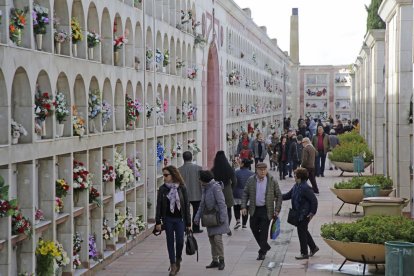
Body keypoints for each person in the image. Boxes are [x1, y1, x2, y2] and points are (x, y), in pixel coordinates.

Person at [241, 162, 282, 260]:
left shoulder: (272, 180)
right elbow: (245, 193)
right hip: (254, 209)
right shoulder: (251, 180)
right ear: (256, 170)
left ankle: (262, 252)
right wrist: (243, 206)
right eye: (261, 170)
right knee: (253, 227)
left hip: (266, 209)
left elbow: (279, 195)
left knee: (264, 231)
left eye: (264, 169)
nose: (263, 171)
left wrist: (277, 209)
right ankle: (265, 246)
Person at [155, 166, 192, 276]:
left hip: (180, 219)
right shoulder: (162, 189)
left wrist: (188, 223)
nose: (164, 177)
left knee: (180, 241)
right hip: (168, 219)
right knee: (170, 242)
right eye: (163, 175)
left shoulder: (182, 188)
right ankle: (173, 265)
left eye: (166, 175)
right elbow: (159, 206)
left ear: (173, 175)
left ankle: (178, 258)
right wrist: (158, 222)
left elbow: (186, 205)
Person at [194, 170, 229, 270]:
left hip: (218, 218)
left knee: (218, 240)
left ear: (204, 180)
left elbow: (222, 204)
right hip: (210, 219)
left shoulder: (215, 187)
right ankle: (215, 260)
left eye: (200, 178)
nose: (199, 180)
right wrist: (197, 217)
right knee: (212, 240)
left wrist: (222, 218)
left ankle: (222, 260)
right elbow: (202, 205)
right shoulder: (205, 188)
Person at [282, 168, 318, 259]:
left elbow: (314, 201)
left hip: (304, 214)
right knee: (304, 230)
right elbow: (288, 195)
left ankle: (304, 253)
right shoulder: (296, 186)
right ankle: (313, 248)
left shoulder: (305, 188)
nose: (294, 176)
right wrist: (278, 196)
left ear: (299, 177)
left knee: (301, 232)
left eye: (295, 175)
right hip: (298, 214)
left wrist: (312, 213)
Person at [211, 151, 237, 235]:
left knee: (218, 210)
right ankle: (227, 228)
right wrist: (231, 189)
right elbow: (234, 181)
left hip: (217, 191)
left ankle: (219, 227)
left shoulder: (213, 170)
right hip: (227, 190)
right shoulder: (229, 168)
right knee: (228, 210)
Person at [178, 151, 203, 233]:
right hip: (196, 193)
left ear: (183, 158)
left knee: (185, 212)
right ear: (191, 157)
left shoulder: (179, 170)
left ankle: (186, 228)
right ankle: (196, 228)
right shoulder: (199, 168)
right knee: (196, 211)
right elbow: (201, 182)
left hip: (184, 195)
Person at [233, 159, 255, 229]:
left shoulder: (236, 172)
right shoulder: (252, 174)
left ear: (243, 164)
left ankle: (238, 220)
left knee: (236, 207)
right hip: (247, 194)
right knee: (245, 208)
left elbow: (233, 182)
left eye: (241, 163)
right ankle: (244, 224)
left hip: (236, 193)